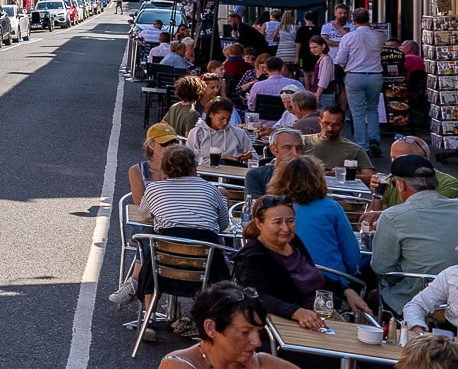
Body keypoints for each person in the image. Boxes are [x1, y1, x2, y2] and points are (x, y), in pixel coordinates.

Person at [110, 146, 229, 307]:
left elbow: (144, 214)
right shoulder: (211, 190)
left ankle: (148, 317)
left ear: (164, 169)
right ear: (194, 168)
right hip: (206, 270)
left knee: (152, 246)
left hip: (164, 267)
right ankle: (202, 318)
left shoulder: (154, 189)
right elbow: (223, 225)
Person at [233, 194, 373, 327]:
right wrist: (296, 312)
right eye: (277, 222)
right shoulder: (251, 258)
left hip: (320, 315)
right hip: (283, 326)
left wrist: (346, 290)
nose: (286, 228)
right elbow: (259, 297)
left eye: (291, 221)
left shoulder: (293, 241)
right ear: (259, 224)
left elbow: (311, 275)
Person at [371, 154, 458, 314]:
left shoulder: (392, 216)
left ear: (401, 185)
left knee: (371, 295)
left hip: (414, 299)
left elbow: (382, 269)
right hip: (454, 296)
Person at [155, 282, 301, 369]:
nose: (257, 342)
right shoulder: (179, 365)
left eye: (259, 331)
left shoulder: (262, 363)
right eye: (245, 332)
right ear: (211, 328)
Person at [267, 156, 361, 280]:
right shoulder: (331, 208)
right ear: (318, 179)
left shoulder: (270, 209)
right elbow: (352, 257)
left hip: (283, 280)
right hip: (330, 280)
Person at [337, 8, 386, 153]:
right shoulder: (379, 36)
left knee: (357, 112)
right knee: (372, 108)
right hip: (375, 74)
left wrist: (346, 66)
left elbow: (340, 58)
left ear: (353, 21)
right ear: (368, 20)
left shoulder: (349, 37)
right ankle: (374, 139)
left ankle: (362, 145)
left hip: (355, 74)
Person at [374, 136, 458, 207]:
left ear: (422, 159)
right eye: (393, 158)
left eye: (400, 159)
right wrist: (378, 194)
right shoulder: (390, 179)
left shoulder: (449, 184)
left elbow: (426, 216)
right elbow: (374, 217)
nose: (394, 163)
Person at [303, 105, 370, 176]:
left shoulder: (355, 149)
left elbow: (369, 176)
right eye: (326, 123)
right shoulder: (304, 141)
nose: (330, 128)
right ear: (320, 121)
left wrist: (344, 175)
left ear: (343, 124)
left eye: (336, 125)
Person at [186, 99, 256, 163]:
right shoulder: (197, 133)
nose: (225, 122)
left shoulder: (238, 133)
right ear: (211, 114)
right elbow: (189, 159)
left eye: (228, 119)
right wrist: (218, 160)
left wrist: (249, 156)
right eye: (221, 118)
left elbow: (255, 157)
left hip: (232, 172)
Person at [128, 122, 181, 205]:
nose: (170, 147)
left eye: (174, 143)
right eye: (165, 144)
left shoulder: (182, 168)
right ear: (151, 145)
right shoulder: (136, 171)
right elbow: (139, 205)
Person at [245, 129, 306, 199]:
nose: (295, 153)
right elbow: (256, 207)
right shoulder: (257, 175)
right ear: (274, 149)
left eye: (299, 148)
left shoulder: (310, 176)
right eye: (287, 148)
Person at [306, 36, 339, 111]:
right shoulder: (321, 59)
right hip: (320, 94)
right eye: (311, 48)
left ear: (323, 46)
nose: (313, 50)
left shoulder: (326, 60)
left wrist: (317, 95)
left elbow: (324, 80)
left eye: (315, 47)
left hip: (324, 95)